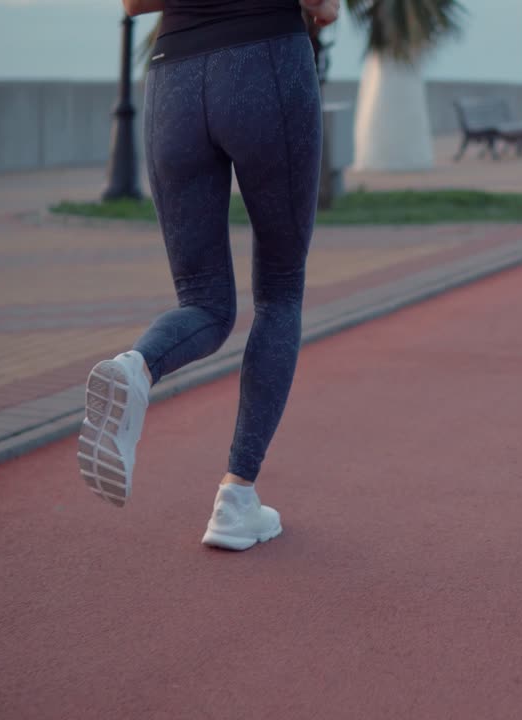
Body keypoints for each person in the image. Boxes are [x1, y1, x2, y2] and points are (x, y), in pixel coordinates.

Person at [76, 0, 339, 551]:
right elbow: (325, 7)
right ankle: (237, 498)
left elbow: (133, 3)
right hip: (266, 61)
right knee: (280, 290)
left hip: (174, 76)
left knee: (204, 302)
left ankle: (137, 368)